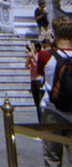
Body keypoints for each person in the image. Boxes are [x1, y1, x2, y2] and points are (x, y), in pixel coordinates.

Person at [36, 16, 72, 166]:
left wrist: (48, 44)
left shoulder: (45, 55)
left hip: (52, 111)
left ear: (53, 32)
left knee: (52, 158)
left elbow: (40, 72)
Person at [25, 41, 44, 122]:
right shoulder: (31, 57)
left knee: (40, 102)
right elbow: (26, 66)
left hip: (39, 80)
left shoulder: (39, 55)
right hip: (33, 81)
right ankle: (40, 120)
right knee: (37, 103)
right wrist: (28, 58)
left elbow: (37, 61)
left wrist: (32, 51)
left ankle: (42, 119)